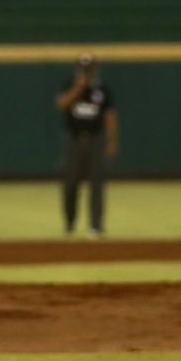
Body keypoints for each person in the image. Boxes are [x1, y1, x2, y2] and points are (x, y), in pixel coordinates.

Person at [54, 53, 118, 237]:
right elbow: (61, 105)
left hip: (95, 139)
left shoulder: (102, 90)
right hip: (74, 139)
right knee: (70, 183)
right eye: (83, 70)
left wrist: (112, 141)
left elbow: (110, 117)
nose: (86, 74)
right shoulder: (69, 85)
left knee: (97, 183)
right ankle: (69, 224)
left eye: (89, 70)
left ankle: (95, 226)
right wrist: (78, 88)